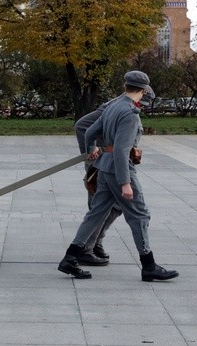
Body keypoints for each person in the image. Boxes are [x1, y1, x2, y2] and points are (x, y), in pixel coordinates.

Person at [58, 71, 179, 281]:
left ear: (126, 86)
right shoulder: (130, 113)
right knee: (140, 215)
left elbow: (89, 132)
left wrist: (92, 150)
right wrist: (125, 183)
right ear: (142, 90)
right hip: (119, 170)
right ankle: (148, 266)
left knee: (95, 214)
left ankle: (70, 258)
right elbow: (123, 151)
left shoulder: (112, 105)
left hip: (104, 167)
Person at [73, 85, 155, 266]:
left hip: (109, 163)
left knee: (108, 208)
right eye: (144, 103)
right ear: (140, 94)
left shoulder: (124, 106)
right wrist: (90, 155)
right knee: (107, 209)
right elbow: (83, 126)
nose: (143, 108)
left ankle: (89, 246)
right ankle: (86, 249)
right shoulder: (116, 107)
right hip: (105, 165)